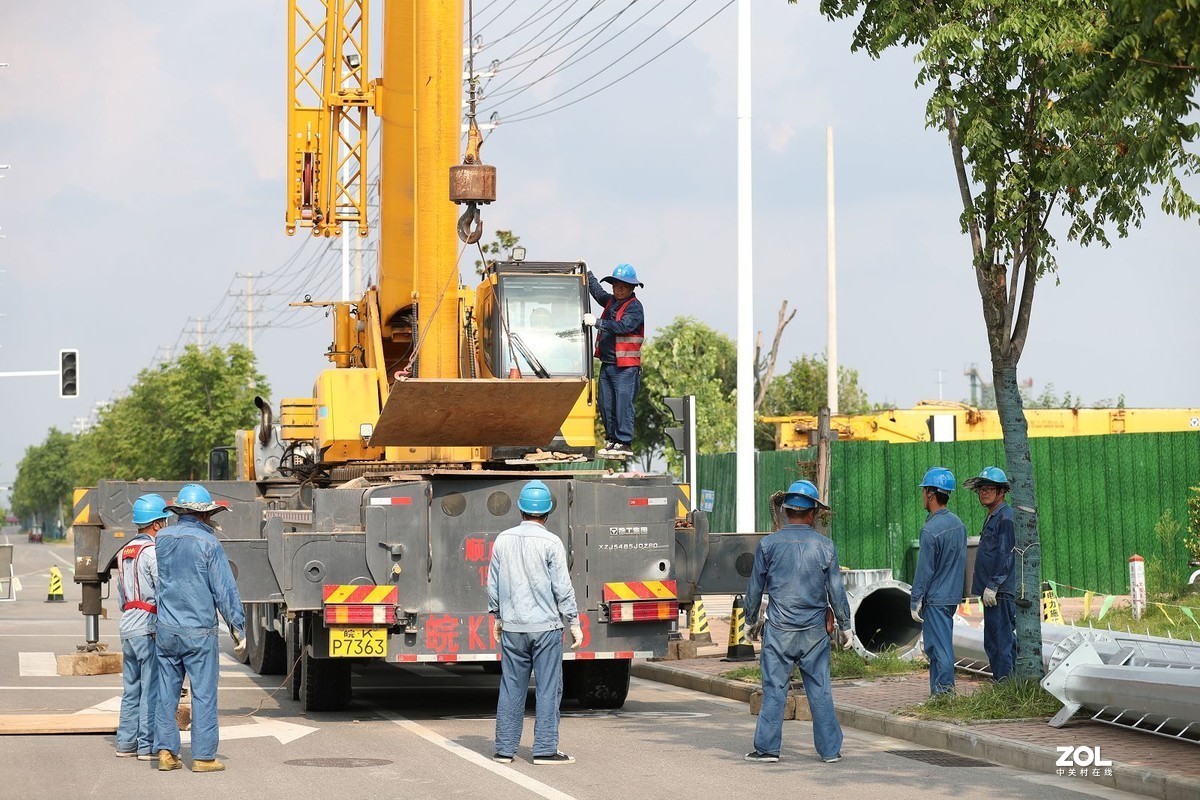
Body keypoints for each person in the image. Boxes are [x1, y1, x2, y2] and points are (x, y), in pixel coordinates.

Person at [743, 480, 853, 764]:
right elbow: (836, 591)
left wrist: (749, 619)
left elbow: (755, 588)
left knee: (774, 690)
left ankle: (767, 749)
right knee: (820, 690)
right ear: (813, 513)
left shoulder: (768, 545)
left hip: (779, 631)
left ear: (785, 511)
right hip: (814, 633)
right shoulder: (826, 546)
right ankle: (830, 751)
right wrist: (845, 624)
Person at [488, 480, 583, 765]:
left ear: (520, 509)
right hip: (546, 629)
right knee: (548, 687)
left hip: (513, 628)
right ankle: (544, 750)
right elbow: (562, 588)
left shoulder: (502, 540)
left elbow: (493, 583)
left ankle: (504, 750)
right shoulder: (551, 542)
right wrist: (574, 621)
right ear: (547, 512)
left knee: (511, 686)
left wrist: (497, 616)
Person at [153, 483, 246, 773]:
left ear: (180, 511)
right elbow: (224, 590)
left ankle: (167, 753)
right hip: (199, 634)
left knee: (166, 692)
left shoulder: (162, 539)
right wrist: (238, 628)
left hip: (167, 629)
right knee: (203, 693)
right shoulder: (210, 544)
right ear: (204, 515)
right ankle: (204, 757)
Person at [114, 493, 170, 760]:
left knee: (131, 688)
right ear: (156, 524)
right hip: (147, 627)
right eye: (164, 521)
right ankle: (146, 746)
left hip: (127, 627)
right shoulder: (151, 552)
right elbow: (163, 588)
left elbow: (120, 598)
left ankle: (125, 743)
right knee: (151, 688)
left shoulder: (123, 552)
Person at [910, 467, 968, 696]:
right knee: (937, 646)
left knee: (939, 648)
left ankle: (944, 694)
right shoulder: (958, 524)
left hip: (935, 598)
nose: (922, 496)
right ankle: (938, 693)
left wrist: (915, 599)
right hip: (951, 595)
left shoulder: (930, 530)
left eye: (924, 491)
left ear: (931, 494)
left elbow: (924, 570)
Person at [584, 263, 644, 460]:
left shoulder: (635, 307)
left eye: (623, 286)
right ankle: (612, 441)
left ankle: (624, 442)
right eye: (616, 286)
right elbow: (597, 292)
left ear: (631, 288)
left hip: (626, 369)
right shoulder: (611, 302)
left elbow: (623, 326)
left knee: (623, 405)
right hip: (608, 364)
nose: (619, 289)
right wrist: (589, 273)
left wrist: (598, 322)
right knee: (606, 404)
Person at [965, 466, 1017, 681]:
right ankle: (1002, 682)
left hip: (1000, 592)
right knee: (992, 640)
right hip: (992, 591)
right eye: (981, 489)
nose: (984, 493)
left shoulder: (1005, 517)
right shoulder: (993, 516)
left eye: (989, 488)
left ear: (1002, 491)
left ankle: (1006, 686)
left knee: (1001, 640)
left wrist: (994, 585)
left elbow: (1007, 553)